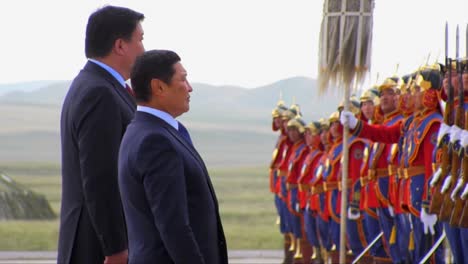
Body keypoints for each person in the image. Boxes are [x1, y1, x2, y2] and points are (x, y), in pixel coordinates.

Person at [118, 50, 228, 264]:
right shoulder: (155, 142)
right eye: (183, 79)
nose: (190, 87)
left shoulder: (147, 130)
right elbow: (173, 226)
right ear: (159, 87)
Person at [58, 6, 144, 264]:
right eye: (139, 39)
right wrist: (115, 248)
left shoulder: (93, 84)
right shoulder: (100, 93)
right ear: (120, 45)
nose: (143, 49)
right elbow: (100, 177)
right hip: (96, 246)